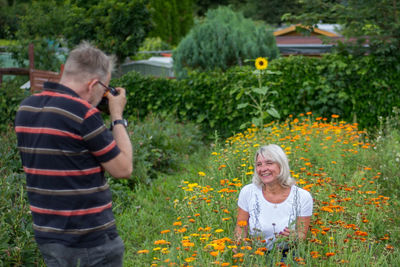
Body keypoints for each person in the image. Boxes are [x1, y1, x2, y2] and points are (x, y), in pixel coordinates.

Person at [14, 41, 133, 266]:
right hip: (91, 241)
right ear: (93, 85)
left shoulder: (26, 109)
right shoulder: (83, 114)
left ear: (64, 71)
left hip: (49, 238)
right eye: (105, 89)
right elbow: (124, 168)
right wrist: (117, 115)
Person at [235, 144, 313, 258]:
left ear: (281, 165)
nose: (263, 169)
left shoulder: (302, 196)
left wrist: (295, 237)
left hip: (288, 255)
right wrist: (240, 248)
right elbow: (241, 227)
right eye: (259, 164)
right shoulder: (248, 192)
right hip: (256, 254)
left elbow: (302, 235)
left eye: (269, 163)